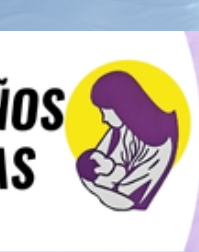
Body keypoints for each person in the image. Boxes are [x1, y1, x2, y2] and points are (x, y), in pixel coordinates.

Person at [75, 71, 179, 211]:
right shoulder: (121, 129)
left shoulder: (160, 144)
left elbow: (127, 200)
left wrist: (93, 187)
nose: (104, 119)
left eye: (105, 111)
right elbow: (95, 159)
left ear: (122, 108)